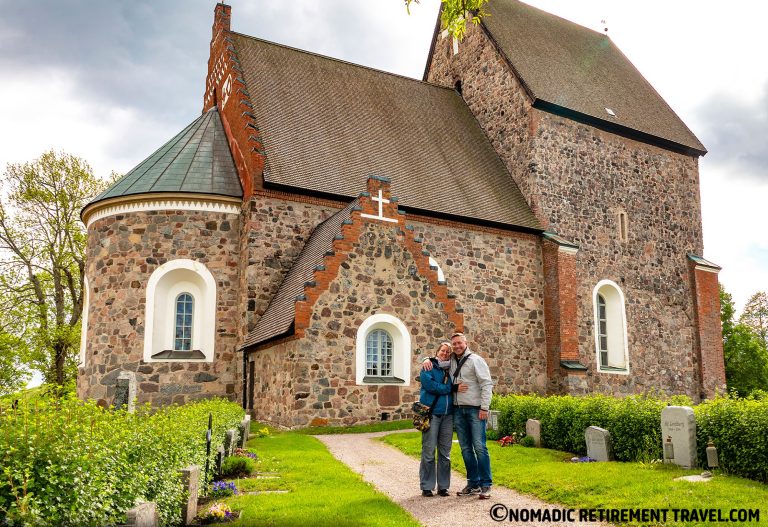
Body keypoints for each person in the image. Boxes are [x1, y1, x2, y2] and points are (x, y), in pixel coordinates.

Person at [423, 332, 494, 499]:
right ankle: (473, 483)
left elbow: (486, 383)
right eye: (454, 344)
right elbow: (437, 359)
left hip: (475, 410)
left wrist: (485, 407)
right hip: (458, 411)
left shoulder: (476, 360)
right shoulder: (452, 361)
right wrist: (425, 359)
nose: (456, 346)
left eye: (459, 343)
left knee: (479, 447)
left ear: (466, 343)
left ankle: (486, 484)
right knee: (465, 449)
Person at [418, 342, 457, 497]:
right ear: (437, 352)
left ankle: (443, 487)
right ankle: (427, 486)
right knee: (428, 451)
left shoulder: (454, 368)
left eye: (448, 352)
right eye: (442, 351)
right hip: (432, 414)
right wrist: (450, 389)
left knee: (445, 453)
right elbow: (430, 386)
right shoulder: (428, 367)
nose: (445, 354)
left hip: (448, 416)